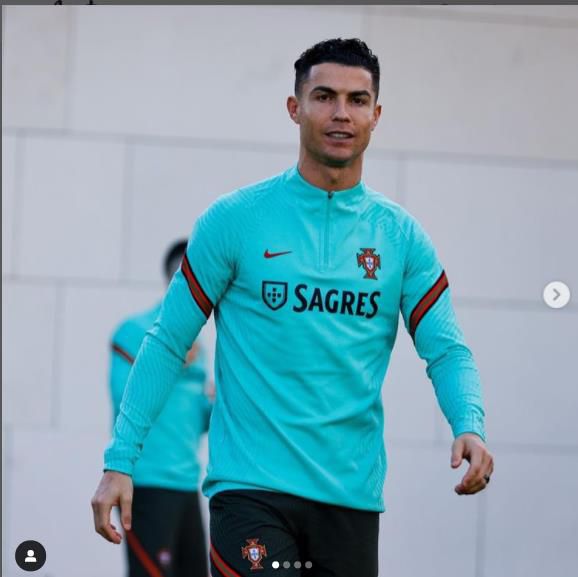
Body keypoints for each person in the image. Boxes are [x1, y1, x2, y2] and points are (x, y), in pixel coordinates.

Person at [92, 38, 494, 577]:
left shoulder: (402, 238)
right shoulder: (234, 220)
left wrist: (469, 423)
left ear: (376, 115)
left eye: (357, 100)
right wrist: (121, 461)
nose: (340, 113)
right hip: (249, 493)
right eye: (324, 96)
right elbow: (166, 342)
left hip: (350, 500)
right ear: (294, 107)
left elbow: (446, 350)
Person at [108, 239, 212, 577]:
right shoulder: (134, 330)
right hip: (147, 485)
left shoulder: (199, 343)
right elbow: (125, 396)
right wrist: (173, 361)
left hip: (187, 485)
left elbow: (196, 420)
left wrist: (219, 402)